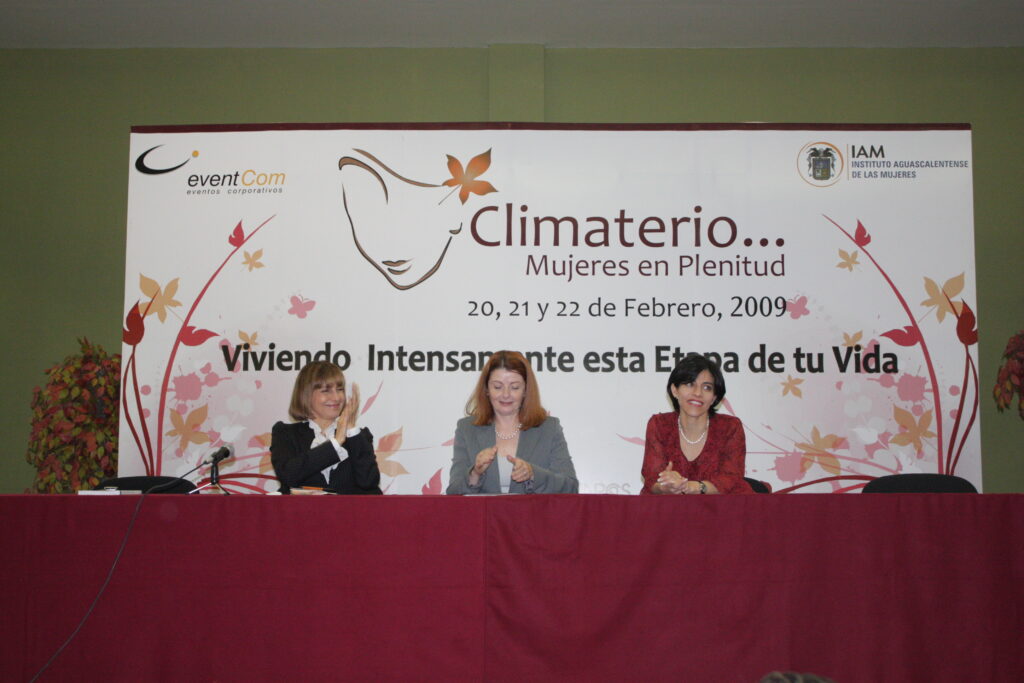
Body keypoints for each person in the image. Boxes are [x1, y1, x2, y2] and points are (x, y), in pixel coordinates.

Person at [446, 350, 578, 494]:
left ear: (526, 390)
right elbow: (453, 491)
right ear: (487, 389)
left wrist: (533, 475)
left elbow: (570, 486)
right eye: (497, 387)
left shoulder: (549, 428)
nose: (506, 394)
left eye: (515, 387)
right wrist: (475, 473)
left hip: (533, 510)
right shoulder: (467, 428)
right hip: (484, 510)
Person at [641, 353, 753, 494]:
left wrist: (693, 487)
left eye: (707, 387)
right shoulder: (659, 424)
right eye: (690, 384)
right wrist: (666, 485)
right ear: (675, 390)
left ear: (714, 397)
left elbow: (731, 479)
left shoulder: (730, 427)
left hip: (721, 506)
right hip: (668, 505)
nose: (698, 393)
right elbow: (652, 478)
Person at [271, 361, 381, 494]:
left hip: (350, 508)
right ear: (306, 394)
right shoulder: (285, 433)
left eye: (340, 389)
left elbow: (369, 483)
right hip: (300, 508)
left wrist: (351, 428)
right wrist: (336, 443)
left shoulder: (358, 436)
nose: (336, 397)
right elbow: (288, 475)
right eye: (326, 391)